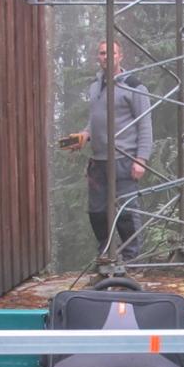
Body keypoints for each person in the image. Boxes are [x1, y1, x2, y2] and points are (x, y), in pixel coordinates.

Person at [62, 41, 153, 261]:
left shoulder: (134, 85)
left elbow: (145, 124)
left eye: (110, 53)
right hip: (98, 161)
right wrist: (84, 136)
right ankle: (105, 256)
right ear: (98, 57)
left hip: (124, 158)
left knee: (126, 213)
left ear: (120, 56)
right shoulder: (95, 85)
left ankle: (132, 260)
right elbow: (95, 120)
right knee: (97, 213)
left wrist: (141, 159)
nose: (106, 57)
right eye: (102, 53)